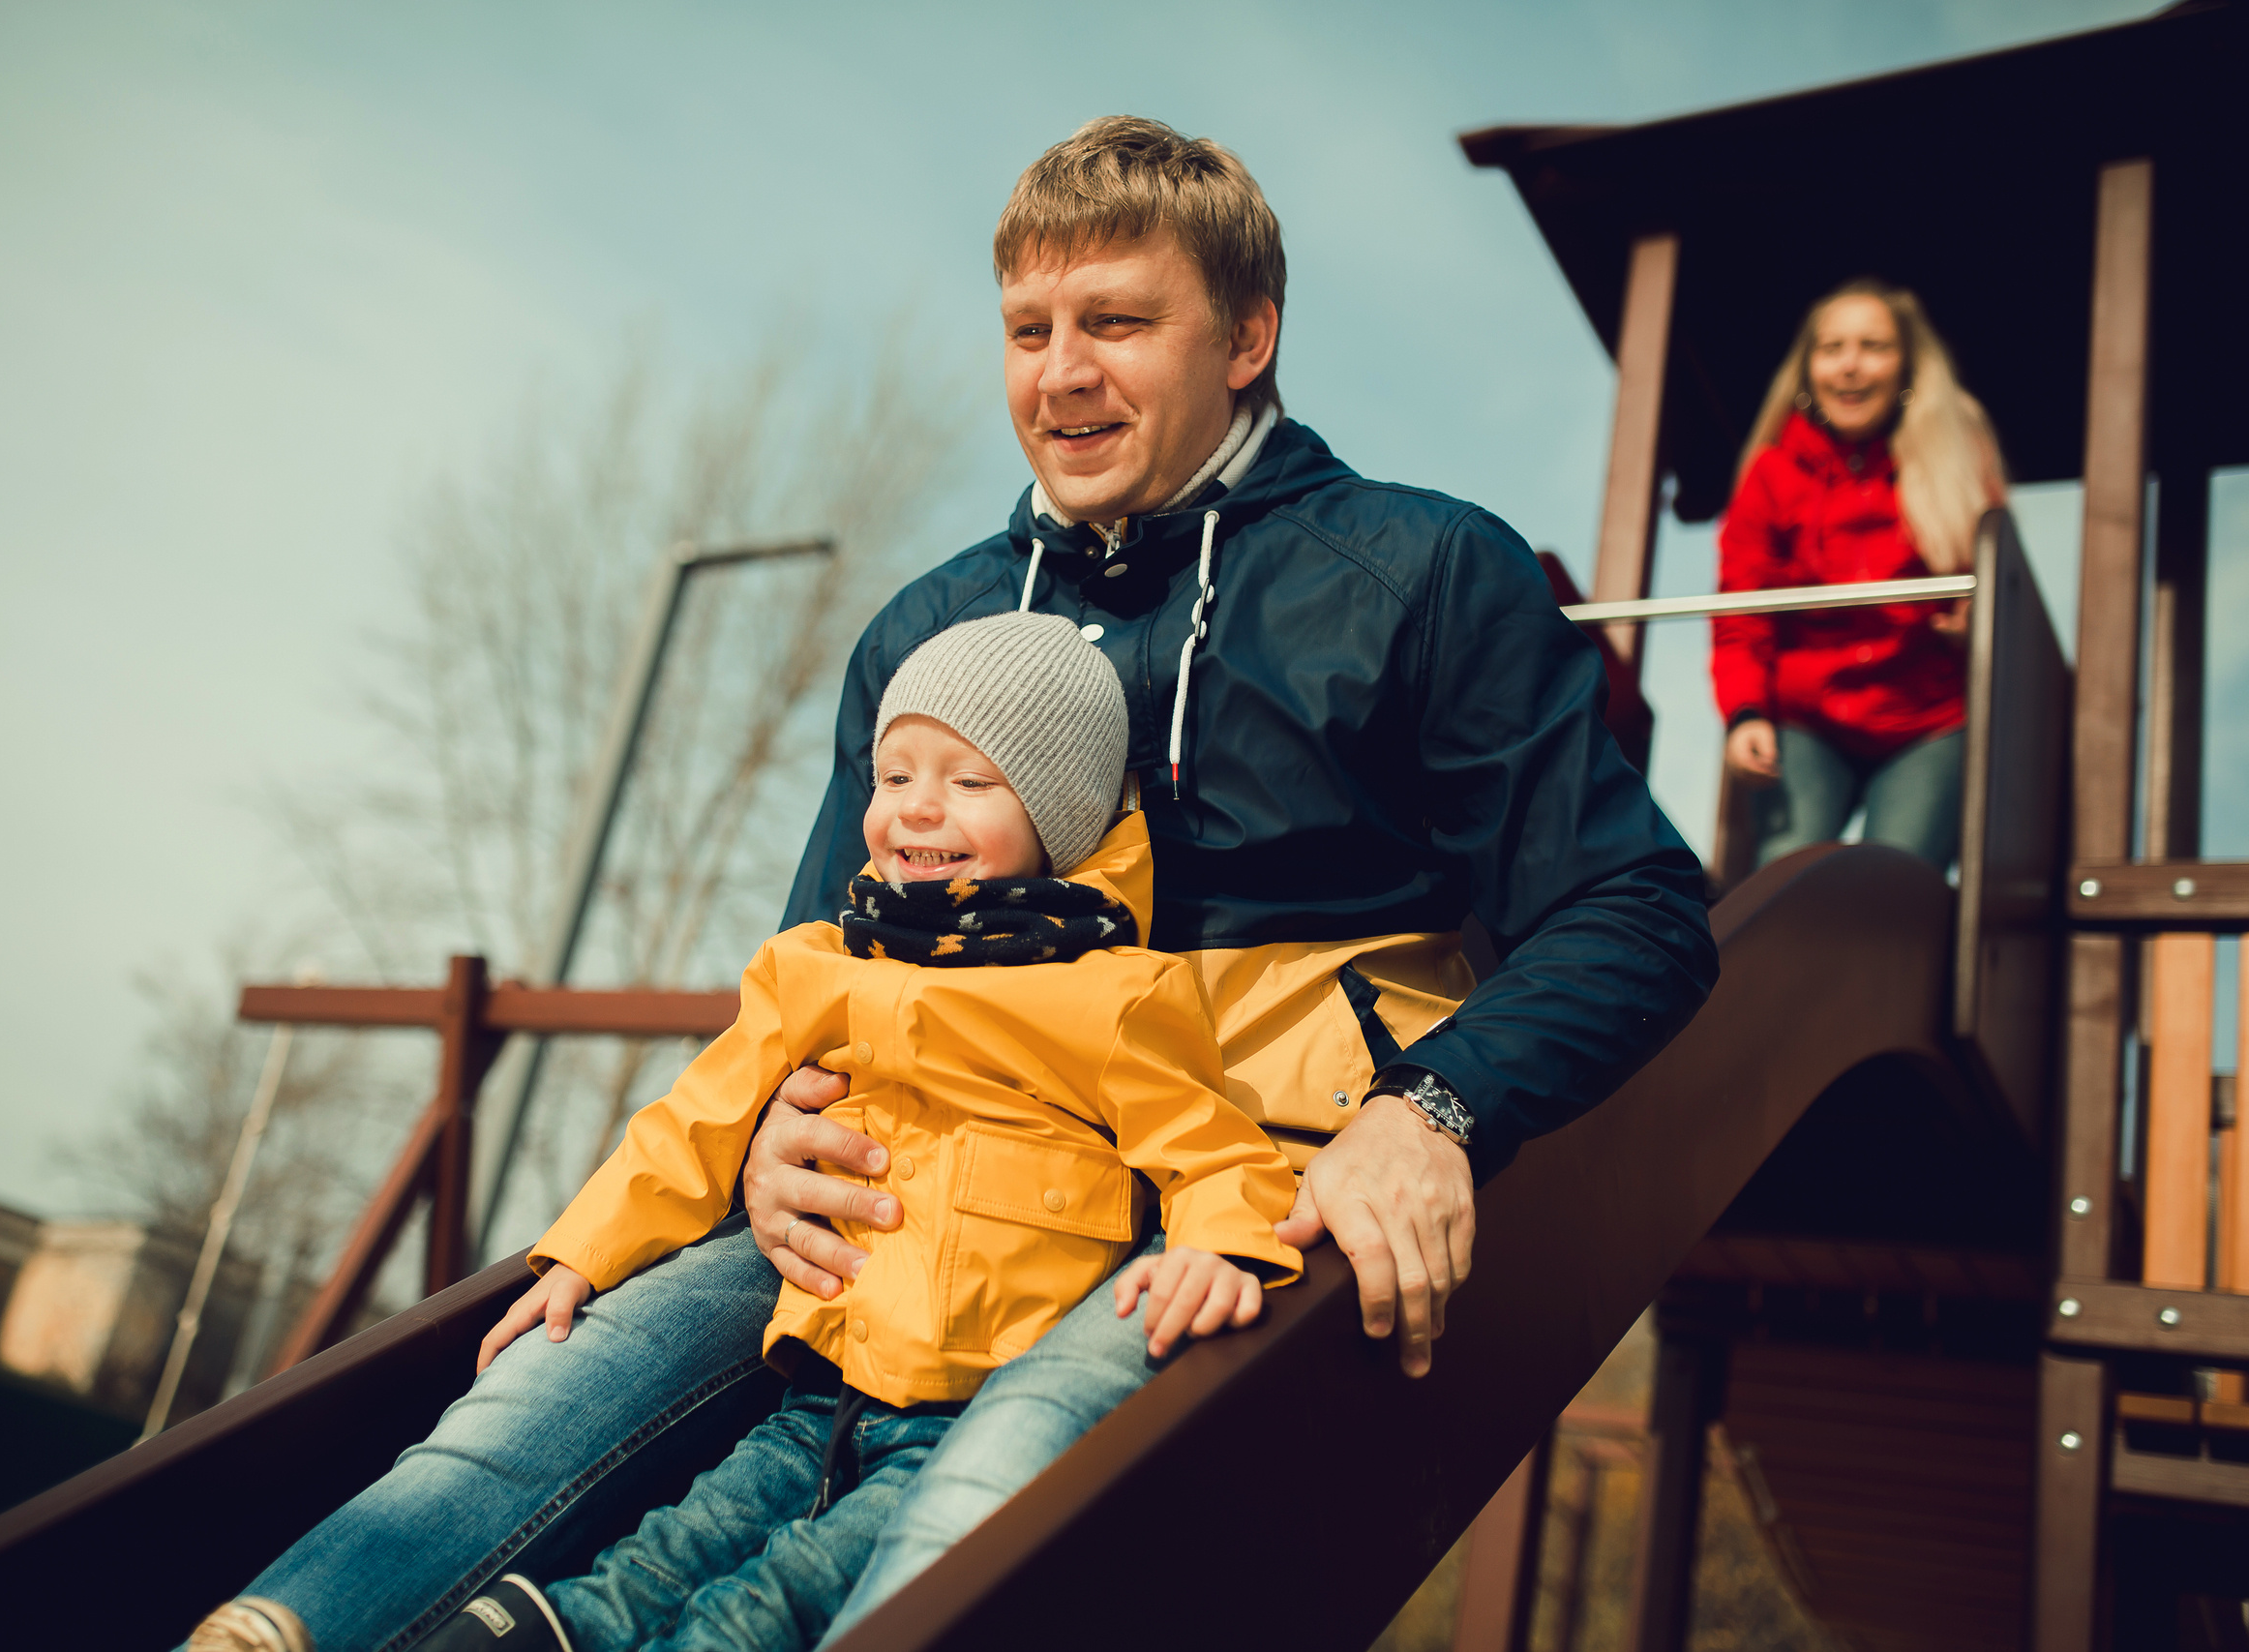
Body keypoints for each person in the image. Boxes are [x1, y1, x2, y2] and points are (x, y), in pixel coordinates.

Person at [189, 116, 1716, 1652]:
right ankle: (283, 1628)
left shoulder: (1423, 572)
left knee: (974, 1508)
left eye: (1118, 322)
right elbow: (819, 953)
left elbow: (1638, 907)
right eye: (1029, 330)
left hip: (1216, 1205)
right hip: (930, 1169)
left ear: (1248, 337)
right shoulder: (941, 628)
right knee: (554, 1381)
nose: (1061, 372)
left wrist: (1430, 1105)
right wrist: (769, 1134)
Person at [386, 612, 1300, 1652]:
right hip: (818, 1389)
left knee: (784, 1594)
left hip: (970, 1405)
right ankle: (546, 1631)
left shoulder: (1116, 999)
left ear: (1061, 812)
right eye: (895, 774)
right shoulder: (820, 965)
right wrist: (581, 1254)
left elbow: (1214, 1149)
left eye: (969, 782)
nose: (918, 807)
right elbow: (695, 1121)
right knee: (691, 1536)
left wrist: (1220, 1246)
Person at [1715, 279, 2006, 870]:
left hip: (1927, 718)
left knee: (1894, 878)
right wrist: (1745, 712)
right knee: (1787, 873)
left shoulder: (1956, 459)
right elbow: (1742, 607)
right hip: (1810, 715)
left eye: (1873, 346)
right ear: (1808, 369)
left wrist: (1976, 624)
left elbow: (1998, 585)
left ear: (1907, 366)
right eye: (1831, 348)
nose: (1849, 366)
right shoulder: (1771, 475)